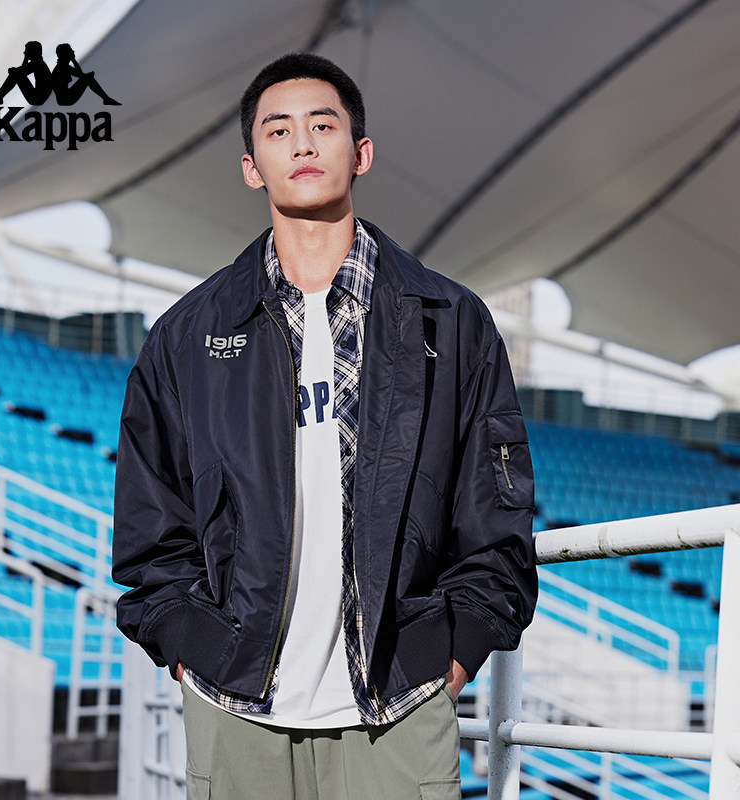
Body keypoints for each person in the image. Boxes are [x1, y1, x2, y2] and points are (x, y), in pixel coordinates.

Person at [112, 52, 538, 800]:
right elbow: (152, 526)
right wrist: (189, 648)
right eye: (278, 131)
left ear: (360, 153)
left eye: (322, 125)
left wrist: (454, 653)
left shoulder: (452, 322)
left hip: (400, 703)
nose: (302, 144)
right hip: (235, 704)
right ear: (252, 168)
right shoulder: (187, 336)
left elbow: (495, 517)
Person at [0, 41, 52, 106]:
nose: (24, 52)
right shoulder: (38, 62)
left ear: (33, 52)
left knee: (15, 74)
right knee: (15, 73)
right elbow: (23, 70)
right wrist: (15, 70)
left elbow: (22, 71)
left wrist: (23, 60)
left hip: (37, 99)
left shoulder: (38, 63)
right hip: (37, 97)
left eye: (26, 50)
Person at [51, 43, 121, 106]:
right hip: (66, 99)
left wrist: (73, 60)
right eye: (70, 50)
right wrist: (73, 60)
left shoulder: (63, 66)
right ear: (66, 54)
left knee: (88, 77)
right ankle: (106, 99)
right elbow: (81, 75)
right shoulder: (63, 67)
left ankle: (106, 99)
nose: (73, 51)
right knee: (88, 78)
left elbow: (80, 74)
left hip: (65, 98)